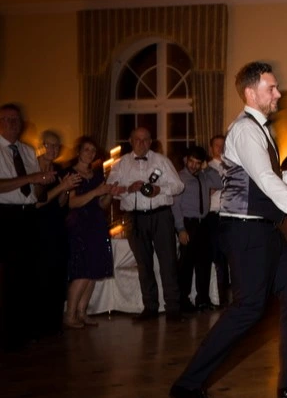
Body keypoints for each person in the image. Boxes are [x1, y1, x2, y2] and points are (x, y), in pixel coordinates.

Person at [170, 61, 287, 398]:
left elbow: (265, 179)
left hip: (263, 228)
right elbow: (264, 180)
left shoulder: (259, 130)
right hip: (246, 230)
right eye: (271, 88)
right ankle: (188, 384)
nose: (278, 94)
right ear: (251, 93)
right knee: (248, 309)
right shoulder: (246, 130)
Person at [107, 127, 185, 322]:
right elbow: (111, 189)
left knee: (168, 262)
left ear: (150, 142)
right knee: (144, 264)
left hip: (161, 216)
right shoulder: (121, 164)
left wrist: (160, 189)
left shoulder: (161, 161)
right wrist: (128, 189)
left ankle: (173, 309)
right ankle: (150, 307)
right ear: (130, 141)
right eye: (137, 140)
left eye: (145, 140)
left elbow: (179, 186)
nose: (142, 143)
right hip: (134, 217)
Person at [0, 103, 56, 351]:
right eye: (8, 119)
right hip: (5, 216)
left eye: (16, 120)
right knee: (7, 275)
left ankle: (26, 328)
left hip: (28, 215)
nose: (13, 124)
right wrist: (32, 178)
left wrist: (43, 180)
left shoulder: (26, 149)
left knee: (28, 272)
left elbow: (36, 192)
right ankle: (7, 333)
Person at [63, 137, 124, 328]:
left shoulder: (97, 175)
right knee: (82, 270)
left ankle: (82, 312)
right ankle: (70, 314)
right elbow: (71, 203)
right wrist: (97, 192)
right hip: (80, 225)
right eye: (86, 149)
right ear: (79, 151)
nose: (90, 153)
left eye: (93, 150)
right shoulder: (71, 174)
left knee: (94, 270)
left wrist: (109, 194)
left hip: (97, 223)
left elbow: (102, 205)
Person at [35, 131, 81, 336]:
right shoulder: (32, 168)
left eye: (57, 146)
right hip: (36, 228)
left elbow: (61, 204)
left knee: (58, 273)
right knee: (39, 275)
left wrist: (66, 189)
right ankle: (38, 322)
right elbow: (37, 202)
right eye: (49, 145)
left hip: (56, 227)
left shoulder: (58, 170)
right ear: (41, 145)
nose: (53, 150)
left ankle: (54, 322)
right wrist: (62, 186)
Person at [172, 145, 223, 312]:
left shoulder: (204, 176)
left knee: (204, 263)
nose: (193, 165)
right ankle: (183, 300)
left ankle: (203, 299)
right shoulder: (179, 178)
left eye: (197, 163)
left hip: (204, 223)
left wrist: (207, 169)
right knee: (186, 264)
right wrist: (180, 229)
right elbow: (175, 206)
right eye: (191, 161)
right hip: (188, 223)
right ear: (186, 160)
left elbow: (220, 183)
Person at [207, 134, 230, 305]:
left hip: (231, 216)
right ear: (211, 148)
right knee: (217, 256)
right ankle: (220, 298)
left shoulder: (233, 168)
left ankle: (233, 296)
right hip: (214, 216)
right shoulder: (206, 169)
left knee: (233, 256)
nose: (220, 149)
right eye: (217, 145)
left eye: (223, 145)